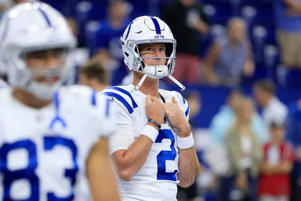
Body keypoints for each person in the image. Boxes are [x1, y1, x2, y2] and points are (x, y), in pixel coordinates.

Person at [0, 3, 119, 201]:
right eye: (38, 55)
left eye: (57, 54)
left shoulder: (87, 106)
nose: (52, 65)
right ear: (10, 56)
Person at [102, 16, 200, 201]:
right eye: (149, 49)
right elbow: (125, 169)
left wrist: (185, 131)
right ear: (131, 51)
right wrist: (154, 123)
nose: (158, 55)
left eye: (162, 49)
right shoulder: (117, 99)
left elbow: (187, 179)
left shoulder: (176, 101)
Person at [224, 97, 262, 201]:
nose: (248, 114)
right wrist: (240, 173)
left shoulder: (254, 134)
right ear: (239, 112)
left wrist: (247, 153)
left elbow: (258, 155)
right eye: (245, 110)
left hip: (252, 173)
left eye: (250, 110)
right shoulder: (231, 132)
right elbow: (232, 155)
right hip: (234, 174)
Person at [162, 0, 209, 84]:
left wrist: (199, 25)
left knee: (192, 85)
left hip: (192, 53)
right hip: (174, 54)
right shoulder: (170, 8)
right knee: (172, 83)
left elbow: (206, 29)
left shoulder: (198, 7)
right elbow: (162, 29)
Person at [204, 17, 255, 87]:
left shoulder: (246, 44)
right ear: (229, 31)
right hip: (218, 79)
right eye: (237, 30)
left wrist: (249, 66)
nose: (240, 33)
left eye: (242, 31)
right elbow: (208, 64)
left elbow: (249, 61)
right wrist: (210, 77)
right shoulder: (219, 44)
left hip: (235, 79)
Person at [91, 0, 131, 85]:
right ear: (109, 9)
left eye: (119, 7)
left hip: (127, 62)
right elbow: (100, 52)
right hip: (111, 62)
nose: (117, 10)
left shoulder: (131, 27)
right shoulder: (102, 28)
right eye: (114, 7)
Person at [258, 121, 294, 201]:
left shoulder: (287, 148)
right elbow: (260, 167)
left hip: (282, 189)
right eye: (275, 130)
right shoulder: (264, 147)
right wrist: (279, 167)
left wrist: (269, 169)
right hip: (266, 188)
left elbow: (286, 168)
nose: (278, 133)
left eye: (281, 130)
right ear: (271, 131)